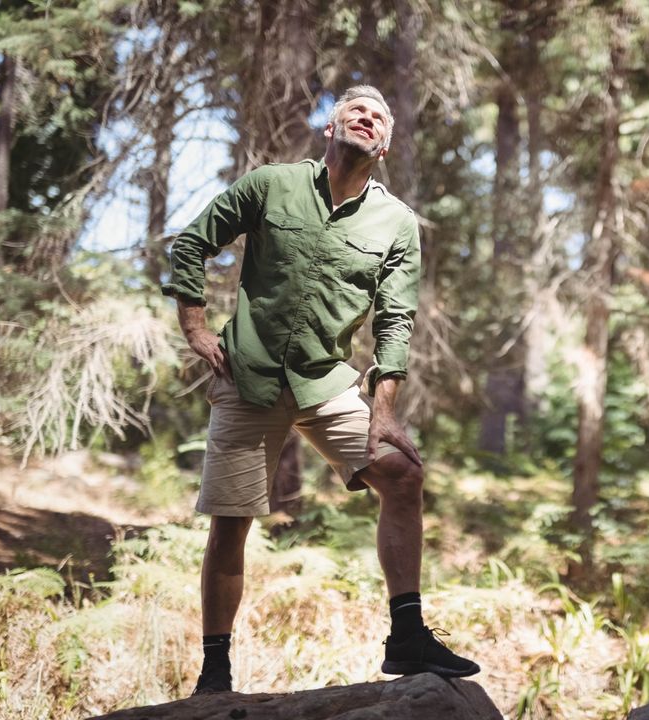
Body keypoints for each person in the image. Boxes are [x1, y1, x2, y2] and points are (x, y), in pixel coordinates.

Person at [161, 85, 479, 695]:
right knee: (231, 523)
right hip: (246, 375)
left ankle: (407, 636)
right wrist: (196, 326)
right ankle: (215, 672)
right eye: (354, 110)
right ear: (329, 129)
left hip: (326, 381)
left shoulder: (397, 223)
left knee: (404, 474)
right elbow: (192, 244)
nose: (367, 117)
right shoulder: (270, 185)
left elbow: (395, 319)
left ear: (383, 145)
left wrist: (382, 411)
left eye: (379, 116)